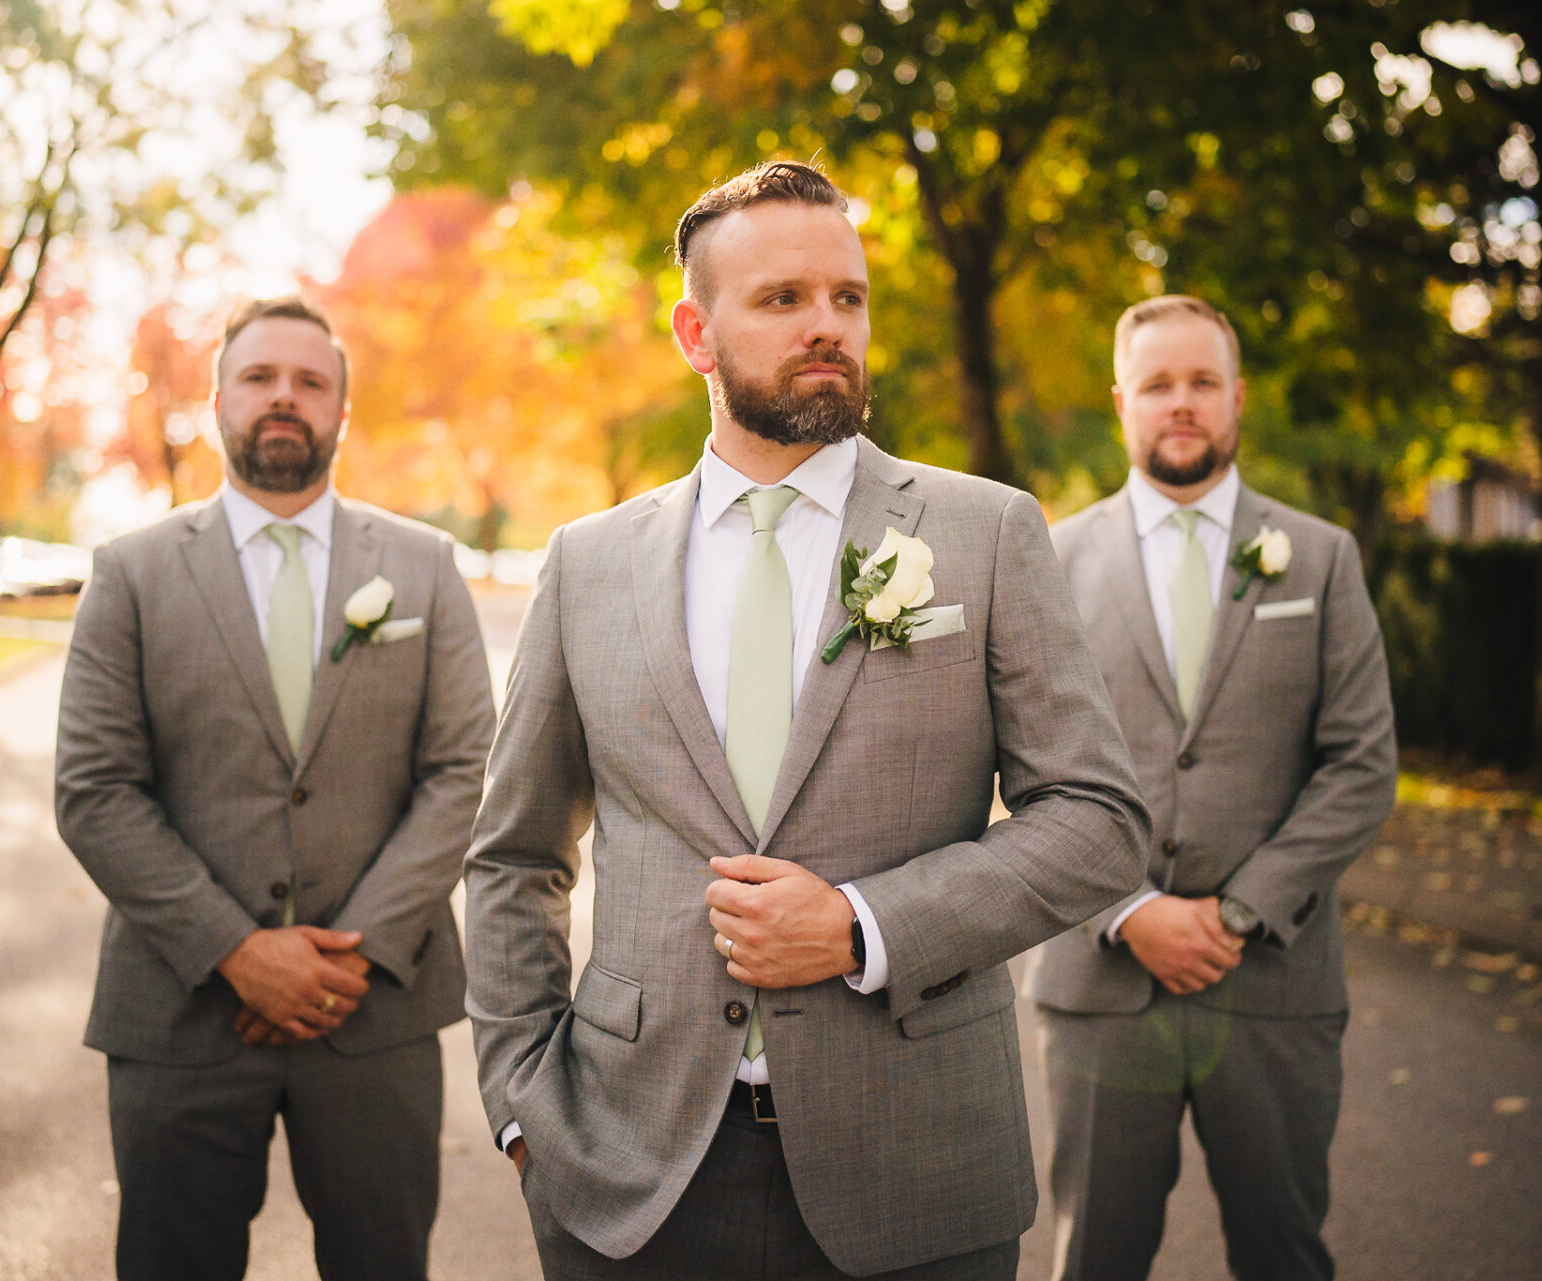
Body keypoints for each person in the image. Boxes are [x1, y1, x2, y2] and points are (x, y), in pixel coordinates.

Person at [462, 161, 1149, 1280]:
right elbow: (515, 854)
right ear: (696, 334)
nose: (827, 326)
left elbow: (1101, 821)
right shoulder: (588, 566)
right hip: (631, 1176)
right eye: (783, 300)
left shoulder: (985, 533)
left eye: (849, 298)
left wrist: (865, 924)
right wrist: (522, 1104)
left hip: (921, 1170)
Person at [54, 296, 496, 1281]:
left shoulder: (422, 567)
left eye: (311, 380)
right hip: (180, 1012)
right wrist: (238, 954)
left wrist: (351, 956)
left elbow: (466, 771)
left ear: (343, 408)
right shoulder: (129, 574)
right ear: (217, 402)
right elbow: (94, 789)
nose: (284, 398)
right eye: (260, 378)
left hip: (374, 1012)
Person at [1030, 295, 1398, 1281]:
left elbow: (1361, 765)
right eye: (1158, 384)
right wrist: (1129, 910)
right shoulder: (1045, 563)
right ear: (1122, 402)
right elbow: (1015, 772)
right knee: (1094, 1261)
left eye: (1202, 383)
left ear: (1237, 397)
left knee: (1284, 1255)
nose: (1181, 404)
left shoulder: (1321, 557)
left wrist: (1237, 914)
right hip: (1100, 986)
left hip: (1272, 984)